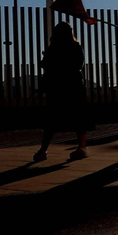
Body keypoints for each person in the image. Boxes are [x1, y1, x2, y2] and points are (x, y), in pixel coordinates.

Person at [35, 21, 91, 162]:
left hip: (57, 86)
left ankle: (43, 150)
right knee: (79, 118)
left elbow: (47, 65)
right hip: (74, 85)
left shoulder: (52, 48)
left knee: (52, 119)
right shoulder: (75, 46)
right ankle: (82, 147)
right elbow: (78, 64)